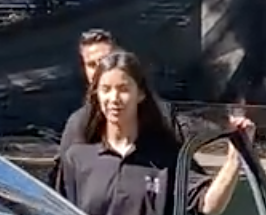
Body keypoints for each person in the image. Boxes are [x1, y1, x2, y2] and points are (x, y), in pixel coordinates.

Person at [43, 48, 242, 215]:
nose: (114, 98)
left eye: (123, 89)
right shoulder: (77, 159)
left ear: (141, 94)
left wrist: (234, 159)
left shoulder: (166, 156)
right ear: (96, 95)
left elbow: (208, 206)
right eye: (106, 89)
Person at [58, 26, 255, 147]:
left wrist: (228, 130)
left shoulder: (159, 117)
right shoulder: (77, 126)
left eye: (106, 60)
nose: (100, 69)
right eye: (91, 64)